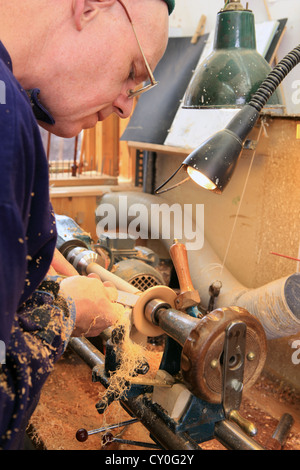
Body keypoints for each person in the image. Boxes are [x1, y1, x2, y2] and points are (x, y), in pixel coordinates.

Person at [0, 0, 174, 449]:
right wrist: (65, 314)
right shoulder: (6, 116)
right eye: (134, 72)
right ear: (90, 6)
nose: (125, 108)